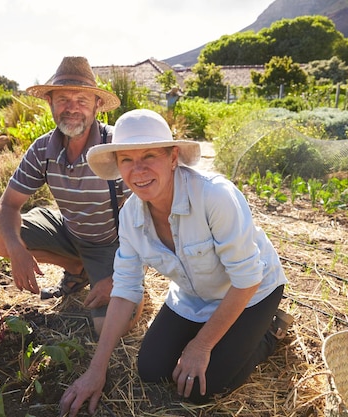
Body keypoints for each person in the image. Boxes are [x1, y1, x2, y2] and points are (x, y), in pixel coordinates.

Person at [59, 109, 292, 416]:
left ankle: (268, 331)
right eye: (127, 159)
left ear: (172, 158)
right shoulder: (131, 216)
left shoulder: (214, 196)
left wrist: (200, 346)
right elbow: (126, 288)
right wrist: (96, 370)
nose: (138, 170)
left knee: (201, 388)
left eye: (150, 155)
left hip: (251, 292)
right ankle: (217, 335)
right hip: (193, 296)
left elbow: (248, 279)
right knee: (151, 370)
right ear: (118, 167)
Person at [0, 56, 134, 336]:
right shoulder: (43, 148)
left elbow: (152, 220)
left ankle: (103, 275)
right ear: (50, 103)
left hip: (112, 246)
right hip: (69, 233)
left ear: (97, 105)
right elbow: (7, 205)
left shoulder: (116, 146)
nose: (72, 108)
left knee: (112, 330)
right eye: (63, 99)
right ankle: (75, 266)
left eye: (82, 100)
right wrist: (17, 250)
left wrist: (118, 278)